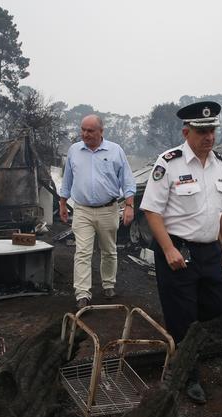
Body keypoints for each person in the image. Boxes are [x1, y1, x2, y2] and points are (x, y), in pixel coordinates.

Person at [140, 101, 222, 404]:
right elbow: (152, 212)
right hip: (178, 250)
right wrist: (167, 249)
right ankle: (187, 375)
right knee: (183, 319)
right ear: (187, 131)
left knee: (217, 307)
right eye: (202, 131)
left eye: (212, 130)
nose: (209, 136)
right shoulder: (169, 163)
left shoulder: (220, 164)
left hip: (209, 252)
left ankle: (187, 347)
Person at [59, 114, 136, 309]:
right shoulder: (74, 151)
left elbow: (127, 180)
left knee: (109, 250)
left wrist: (129, 205)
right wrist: (62, 202)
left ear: (101, 131)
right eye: (83, 130)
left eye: (90, 130)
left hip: (108, 209)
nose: (85, 134)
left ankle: (108, 284)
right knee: (82, 252)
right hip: (82, 210)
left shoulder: (115, 151)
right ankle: (82, 293)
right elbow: (67, 179)